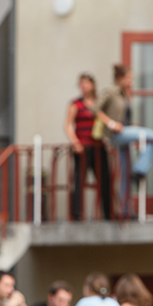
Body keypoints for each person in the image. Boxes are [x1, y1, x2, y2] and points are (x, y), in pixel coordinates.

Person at [95, 64, 153, 218]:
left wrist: (133, 127)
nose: (131, 82)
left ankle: (125, 210)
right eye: (128, 79)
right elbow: (95, 109)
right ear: (120, 79)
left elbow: (125, 117)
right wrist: (112, 124)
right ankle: (139, 169)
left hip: (125, 132)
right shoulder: (111, 91)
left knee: (125, 175)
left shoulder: (125, 94)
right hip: (116, 134)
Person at [64, 73, 112, 220]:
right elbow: (68, 125)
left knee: (105, 180)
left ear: (92, 85)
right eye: (81, 83)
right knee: (79, 181)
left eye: (86, 83)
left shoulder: (99, 103)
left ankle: (108, 214)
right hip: (83, 147)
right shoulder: (75, 104)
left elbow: (106, 120)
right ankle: (77, 214)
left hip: (98, 146)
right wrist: (76, 143)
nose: (84, 86)